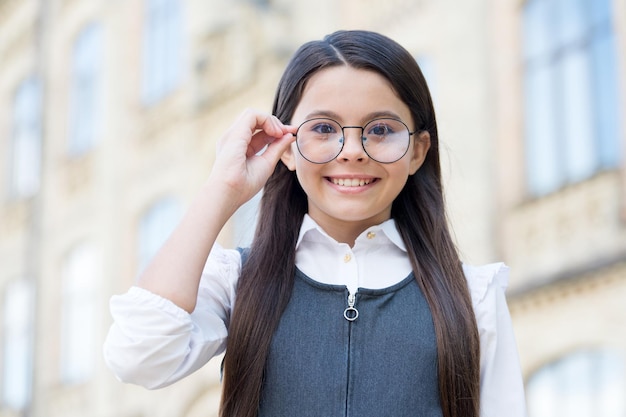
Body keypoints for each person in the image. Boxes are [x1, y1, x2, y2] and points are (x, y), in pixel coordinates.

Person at [103, 30, 527, 417]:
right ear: (286, 147)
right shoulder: (238, 282)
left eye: (380, 129)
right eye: (324, 128)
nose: (353, 150)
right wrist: (223, 186)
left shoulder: (473, 298)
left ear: (417, 152)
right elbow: (138, 353)